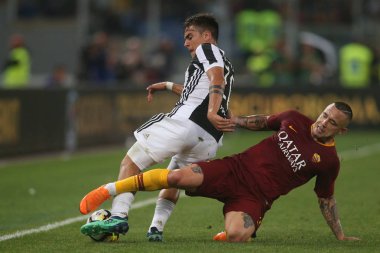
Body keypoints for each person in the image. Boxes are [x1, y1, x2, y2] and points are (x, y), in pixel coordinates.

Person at [80, 102, 360, 242]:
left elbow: (326, 199)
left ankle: (238, 226)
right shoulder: (294, 119)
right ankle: (108, 190)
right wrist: (234, 120)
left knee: (238, 236)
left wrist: (340, 235)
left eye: (332, 122)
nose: (324, 123)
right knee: (177, 176)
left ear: (341, 130)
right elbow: (261, 121)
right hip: (234, 169)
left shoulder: (329, 161)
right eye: (324, 115)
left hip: (257, 197)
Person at [80, 13, 235, 242]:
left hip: (186, 124)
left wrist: (212, 112)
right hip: (209, 138)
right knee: (173, 179)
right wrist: (168, 85)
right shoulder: (225, 61)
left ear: (207, 35)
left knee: (131, 162)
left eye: (190, 36)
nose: (186, 43)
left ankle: (119, 216)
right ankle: (156, 228)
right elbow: (198, 91)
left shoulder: (207, 49)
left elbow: (216, 79)